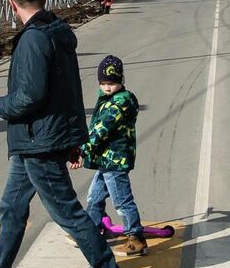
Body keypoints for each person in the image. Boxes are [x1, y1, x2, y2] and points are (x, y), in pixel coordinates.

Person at [0, 0, 129, 268]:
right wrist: (72, 138)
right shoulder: (57, 32)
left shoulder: (34, 40)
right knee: (11, 207)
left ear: (12, 6)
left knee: (67, 212)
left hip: (39, 139)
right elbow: (65, 92)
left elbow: (31, 97)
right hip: (38, 139)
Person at [74, 54, 172, 251]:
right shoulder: (108, 98)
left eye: (112, 83)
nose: (107, 87)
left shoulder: (120, 102)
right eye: (103, 83)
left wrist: (82, 150)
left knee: (122, 201)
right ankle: (92, 231)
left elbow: (100, 130)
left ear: (121, 81)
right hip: (105, 161)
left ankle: (136, 238)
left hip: (115, 162)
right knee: (94, 197)